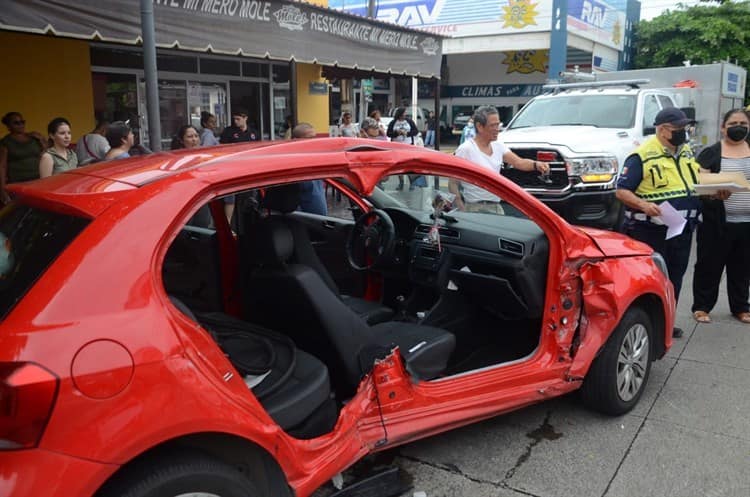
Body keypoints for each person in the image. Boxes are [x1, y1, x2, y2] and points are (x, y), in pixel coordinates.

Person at [616, 107, 704, 338]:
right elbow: (622, 191)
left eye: (685, 128)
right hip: (651, 231)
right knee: (650, 280)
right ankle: (647, 326)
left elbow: (692, 182)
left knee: (675, 278)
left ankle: (666, 323)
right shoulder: (642, 156)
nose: (684, 133)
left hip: (682, 229)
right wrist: (644, 205)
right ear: (663, 130)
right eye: (679, 129)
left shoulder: (685, 152)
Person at [691, 108, 750, 324]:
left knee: (742, 267)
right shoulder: (711, 153)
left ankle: (741, 307)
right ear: (723, 127)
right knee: (709, 265)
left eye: (743, 124)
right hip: (716, 223)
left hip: (746, 223)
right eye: (733, 123)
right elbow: (699, 185)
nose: (739, 127)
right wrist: (714, 195)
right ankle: (702, 306)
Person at [449, 105, 549, 214]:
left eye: (498, 124)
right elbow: (453, 183)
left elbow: (518, 162)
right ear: (479, 126)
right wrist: (460, 207)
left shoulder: (498, 146)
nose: (497, 129)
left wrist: (536, 164)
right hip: (474, 209)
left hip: (496, 207)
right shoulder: (466, 149)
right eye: (493, 125)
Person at [0, 112, 45, 203]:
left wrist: (41, 139)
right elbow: (2, 166)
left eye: (22, 122)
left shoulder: (33, 137)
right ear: (8, 126)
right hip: (19, 183)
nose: (21, 125)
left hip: (39, 181)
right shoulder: (5, 142)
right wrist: (2, 190)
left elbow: (47, 153)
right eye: (16, 123)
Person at [292, 123, 327, 215]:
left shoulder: (313, 158)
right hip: (307, 217)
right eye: (310, 138)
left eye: (314, 138)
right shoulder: (293, 163)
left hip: (318, 218)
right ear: (296, 140)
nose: (313, 141)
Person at [387, 107, 419, 190]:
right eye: (404, 113)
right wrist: (396, 133)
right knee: (399, 165)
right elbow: (388, 133)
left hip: (407, 145)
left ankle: (411, 182)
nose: (405, 115)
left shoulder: (409, 121)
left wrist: (407, 133)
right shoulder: (393, 122)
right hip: (396, 146)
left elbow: (415, 131)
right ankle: (401, 182)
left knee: (409, 164)